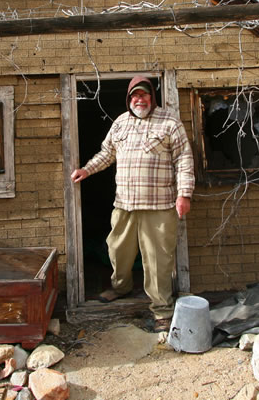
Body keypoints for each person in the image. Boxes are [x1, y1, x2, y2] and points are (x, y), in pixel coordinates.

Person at [71, 75, 195, 332]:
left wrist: (184, 194)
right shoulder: (120, 123)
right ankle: (121, 287)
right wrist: (87, 169)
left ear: (152, 97)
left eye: (144, 95)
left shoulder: (169, 122)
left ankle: (161, 309)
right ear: (129, 100)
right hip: (125, 204)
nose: (140, 100)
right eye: (135, 96)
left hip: (159, 205)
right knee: (116, 250)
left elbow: (183, 159)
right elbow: (107, 153)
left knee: (158, 260)